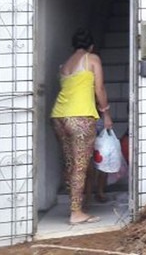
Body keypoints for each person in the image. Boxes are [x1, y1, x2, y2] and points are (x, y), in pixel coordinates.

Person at [50, 28, 112, 225]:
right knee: (80, 166)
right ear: (91, 46)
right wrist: (106, 113)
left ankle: (76, 206)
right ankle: (76, 213)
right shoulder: (92, 59)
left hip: (59, 116)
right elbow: (99, 88)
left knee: (70, 163)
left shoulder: (65, 64)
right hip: (81, 117)